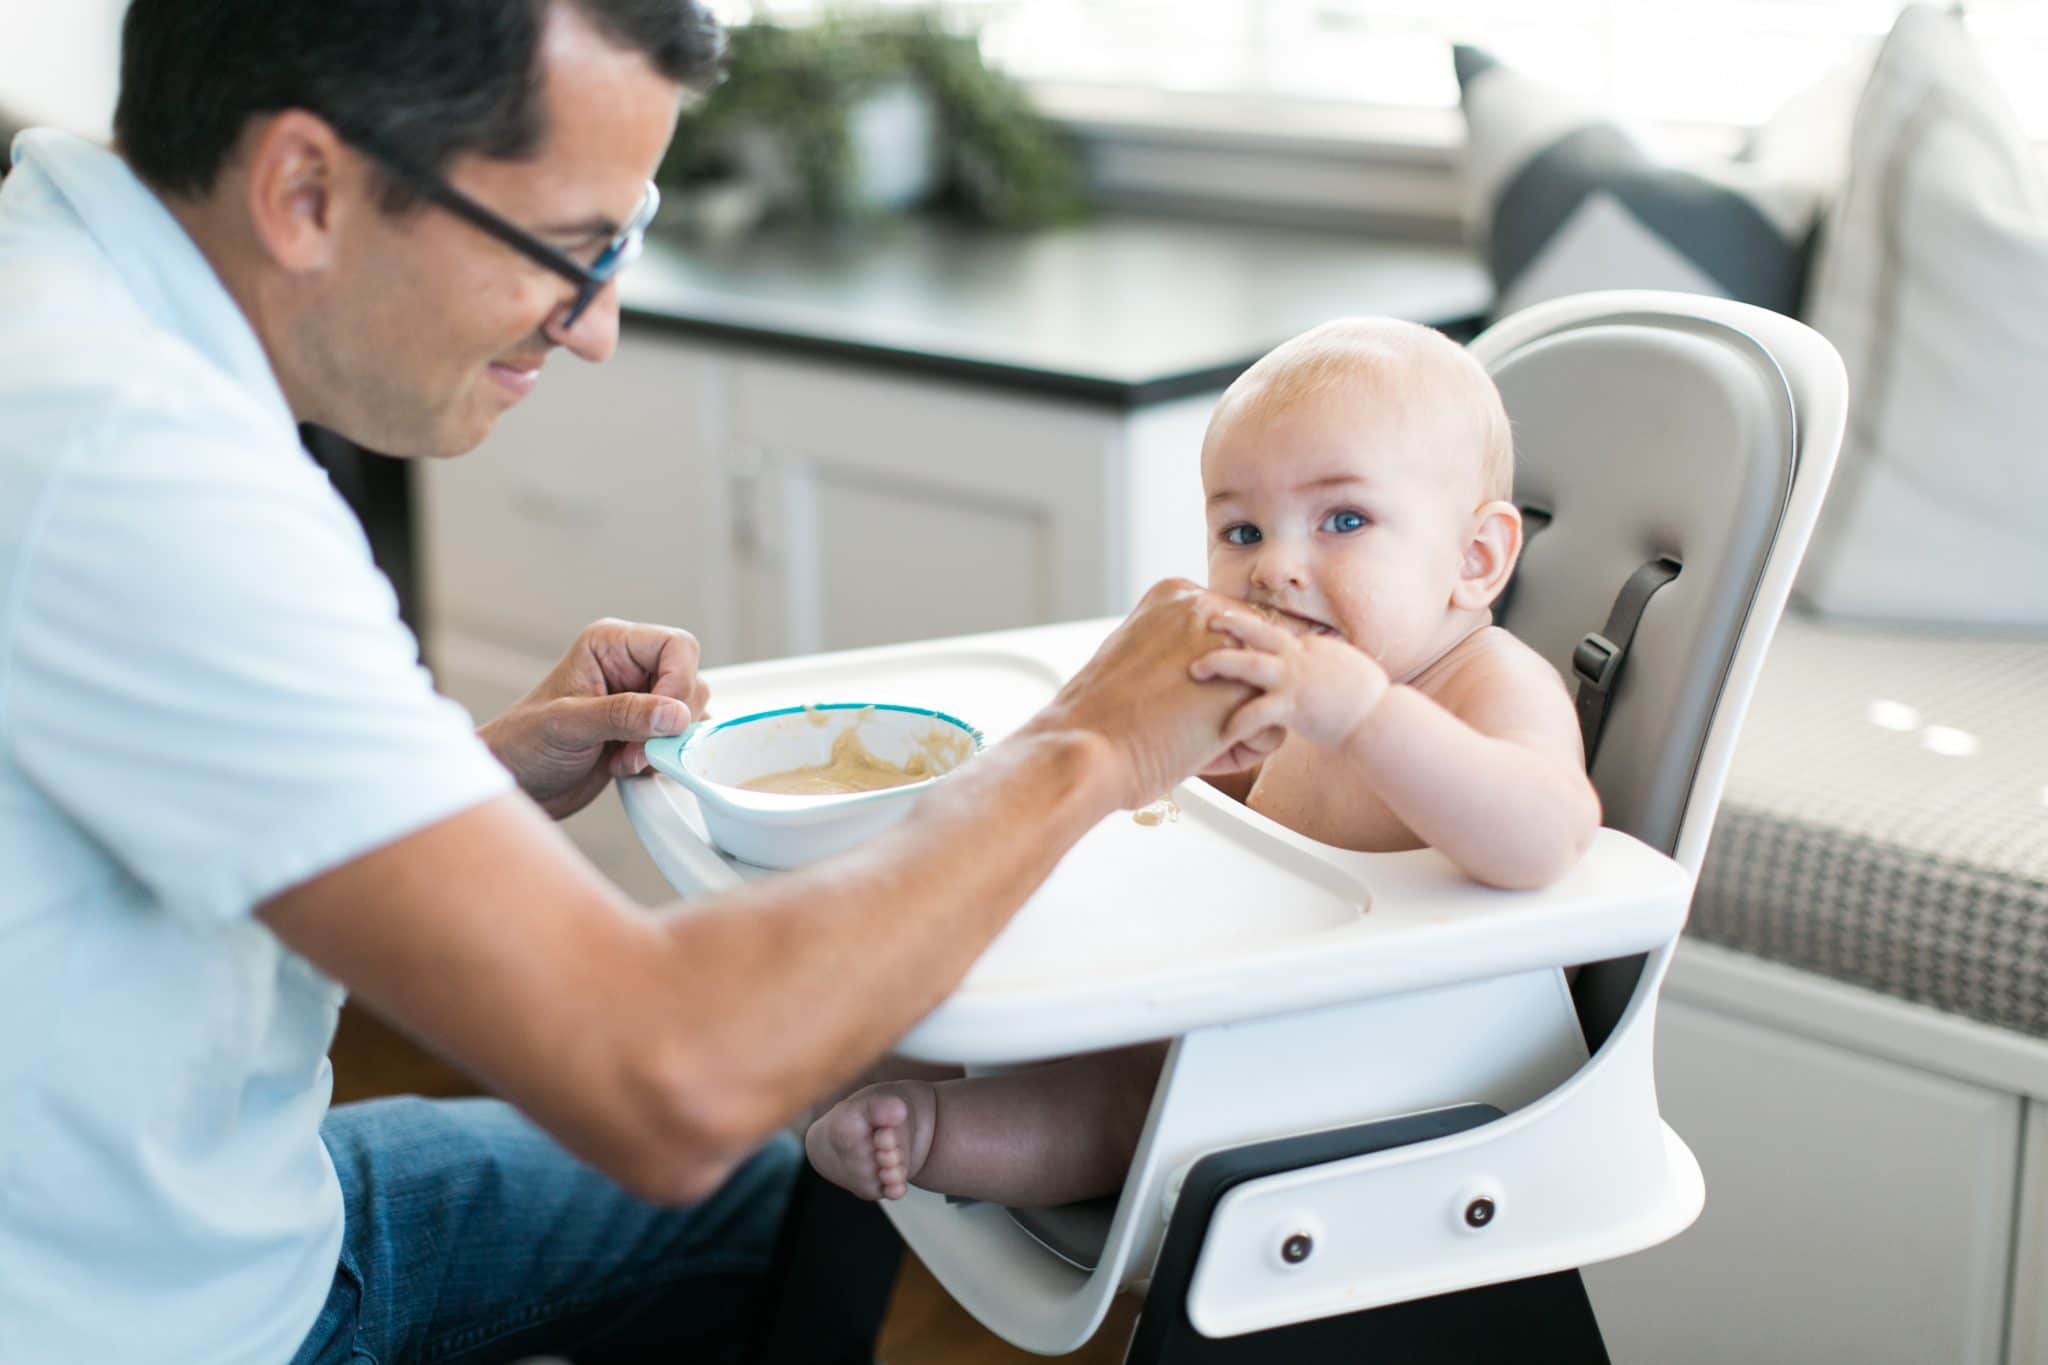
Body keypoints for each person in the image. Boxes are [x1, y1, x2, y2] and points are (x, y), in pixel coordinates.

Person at [0, 3, 1279, 1360]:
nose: (597, 326)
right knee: (745, 1151)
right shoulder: (137, 474)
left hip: (184, 1208)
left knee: (783, 1195)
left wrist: (467, 781)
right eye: (570, 250)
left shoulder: (69, 289)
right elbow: (669, 1078)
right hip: (158, 1320)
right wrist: (1086, 748)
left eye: (630, 234)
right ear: (305, 189)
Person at [806, 317, 1604, 1209]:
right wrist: (1191, 762)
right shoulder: (1315, 679)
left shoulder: (1486, 682)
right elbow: (1255, 812)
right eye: (1242, 530)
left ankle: (929, 1132)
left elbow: (1545, 837)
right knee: (972, 988)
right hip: (1240, 985)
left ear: (1475, 557)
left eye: (1343, 519)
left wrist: (1367, 716)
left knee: (1128, 1104)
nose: (1276, 569)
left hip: (1357, 1066)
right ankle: (858, 1064)